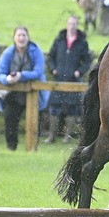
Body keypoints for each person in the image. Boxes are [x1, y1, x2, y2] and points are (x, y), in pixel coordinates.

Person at [0, 26, 49, 151]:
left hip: (33, 94)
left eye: (24, 35)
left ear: (28, 37)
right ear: (14, 38)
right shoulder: (8, 53)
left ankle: (33, 148)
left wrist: (21, 76)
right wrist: (7, 79)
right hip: (13, 93)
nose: (21, 38)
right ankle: (11, 148)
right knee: (10, 120)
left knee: (35, 122)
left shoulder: (36, 51)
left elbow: (38, 72)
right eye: (19, 35)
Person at [44, 15, 92, 143]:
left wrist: (79, 72)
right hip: (58, 79)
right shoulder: (59, 40)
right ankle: (51, 136)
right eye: (70, 23)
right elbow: (51, 57)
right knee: (54, 108)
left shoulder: (82, 42)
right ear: (67, 24)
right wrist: (53, 69)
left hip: (73, 80)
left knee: (72, 109)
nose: (72, 26)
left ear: (77, 25)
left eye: (74, 24)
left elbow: (87, 61)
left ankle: (67, 136)